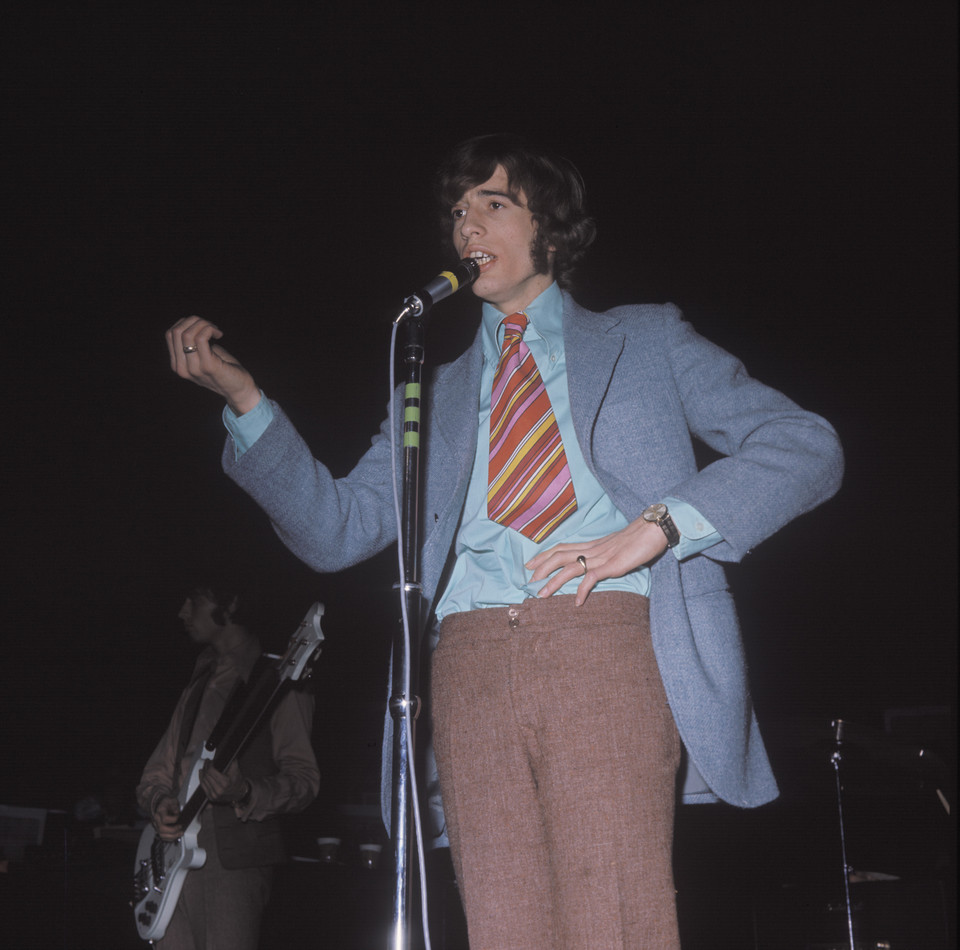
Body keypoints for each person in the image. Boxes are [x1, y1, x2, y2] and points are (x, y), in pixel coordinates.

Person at [164, 134, 843, 949]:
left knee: (611, 920)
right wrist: (246, 403)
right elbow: (337, 530)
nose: (465, 226)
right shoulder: (431, 387)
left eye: (493, 203)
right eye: (456, 210)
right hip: (469, 660)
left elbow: (805, 447)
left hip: (604, 638)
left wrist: (658, 528)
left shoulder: (647, 339)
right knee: (503, 927)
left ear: (550, 228)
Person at [136, 581, 320, 950]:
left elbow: (304, 781)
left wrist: (246, 791)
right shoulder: (199, 678)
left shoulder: (280, 681)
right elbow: (155, 774)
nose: (182, 612)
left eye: (195, 600)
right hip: (168, 855)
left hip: (234, 857)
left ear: (231, 603)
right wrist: (160, 804)